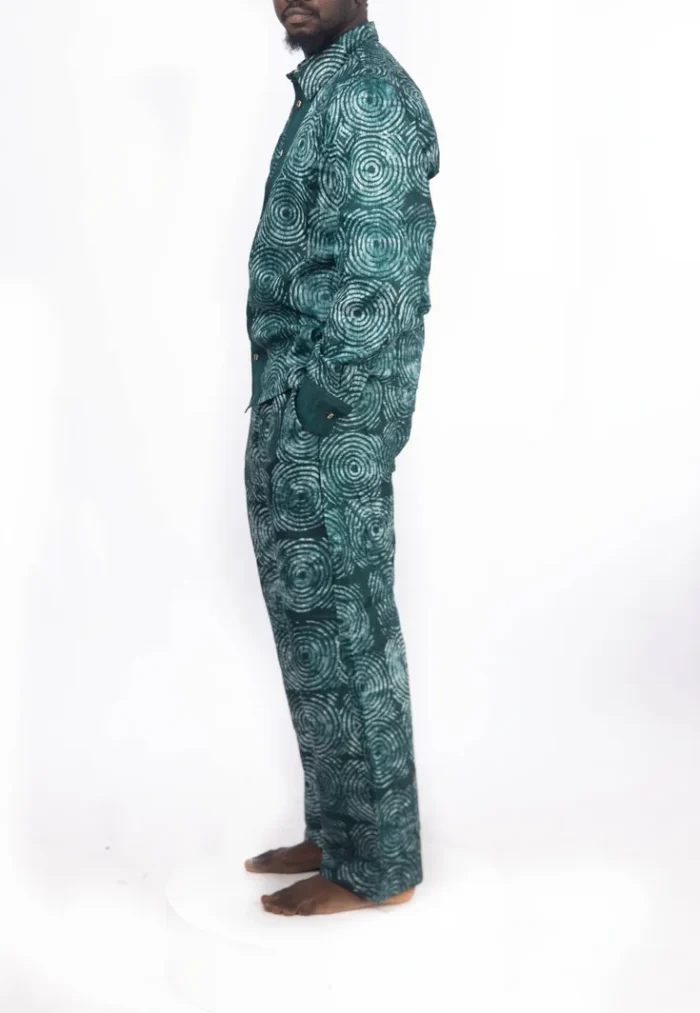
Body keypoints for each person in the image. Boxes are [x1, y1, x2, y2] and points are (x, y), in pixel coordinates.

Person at [243, 0, 440, 916]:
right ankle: (339, 831)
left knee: (350, 639)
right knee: (316, 637)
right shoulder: (329, 89)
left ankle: (378, 867)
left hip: (331, 429)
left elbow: (377, 283)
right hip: (299, 414)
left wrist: (313, 408)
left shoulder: (367, 99)